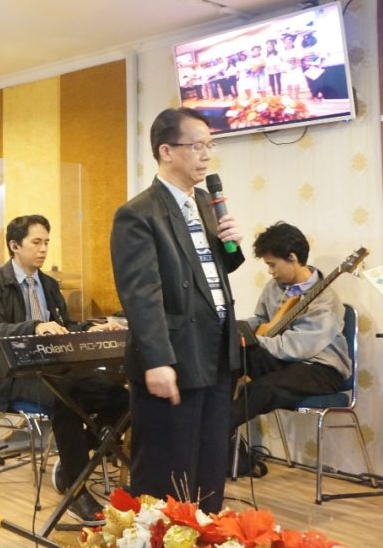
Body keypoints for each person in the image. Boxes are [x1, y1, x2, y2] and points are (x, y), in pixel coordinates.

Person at [110, 107, 245, 513]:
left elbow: (206, 275)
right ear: (166, 151)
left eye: (210, 145)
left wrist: (231, 245)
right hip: (174, 356)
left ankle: (205, 533)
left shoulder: (204, 202)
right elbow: (141, 294)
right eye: (197, 146)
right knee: (166, 473)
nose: (206, 155)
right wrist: (157, 361)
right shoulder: (138, 214)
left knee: (209, 467)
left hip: (215, 352)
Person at [0, 214, 128, 524]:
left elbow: (64, 327)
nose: (44, 249)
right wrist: (35, 326)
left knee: (123, 399)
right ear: (14, 245)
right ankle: (76, 491)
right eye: (36, 242)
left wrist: (91, 329)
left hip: (54, 369)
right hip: (10, 375)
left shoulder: (48, 284)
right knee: (65, 397)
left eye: (46, 242)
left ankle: (74, 464)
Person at [229, 222, 350, 431]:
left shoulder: (326, 299)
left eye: (272, 264)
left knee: (262, 389)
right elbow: (261, 320)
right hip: (284, 362)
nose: (270, 272)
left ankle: (213, 434)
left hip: (320, 369)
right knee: (230, 355)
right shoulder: (273, 287)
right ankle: (212, 425)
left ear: (292, 258)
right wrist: (239, 331)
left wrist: (255, 341)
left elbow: (299, 346)